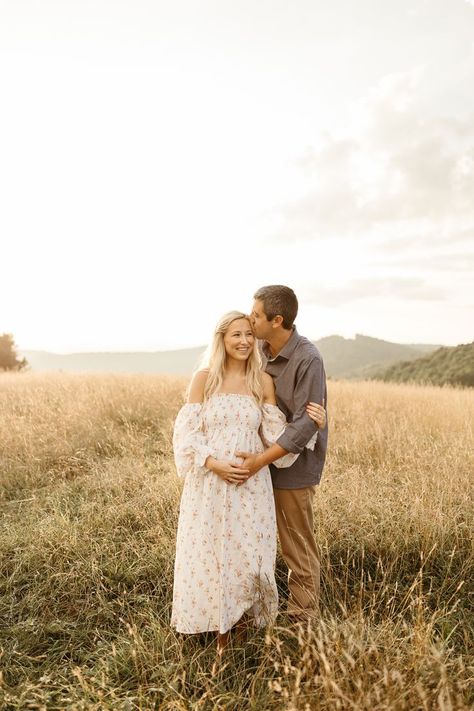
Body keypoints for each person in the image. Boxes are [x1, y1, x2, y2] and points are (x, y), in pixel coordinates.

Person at [171, 311, 326, 654]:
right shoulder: (204, 378)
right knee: (209, 553)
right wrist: (214, 464)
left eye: (247, 335)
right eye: (235, 335)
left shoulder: (262, 381)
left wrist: (312, 424)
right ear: (222, 340)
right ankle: (212, 630)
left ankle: (239, 633)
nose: (243, 341)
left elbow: (275, 437)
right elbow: (186, 434)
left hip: (251, 485)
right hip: (210, 483)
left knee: (247, 555)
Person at [236, 286, 328, 622]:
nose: (251, 319)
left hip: (292, 467)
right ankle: (247, 611)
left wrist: (260, 460)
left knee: (296, 545)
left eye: (256, 315)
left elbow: (306, 425)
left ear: (278, 321)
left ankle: (302, 622)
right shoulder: (256, 348)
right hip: (254, 462)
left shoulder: (308, 359)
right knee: (252, 537)